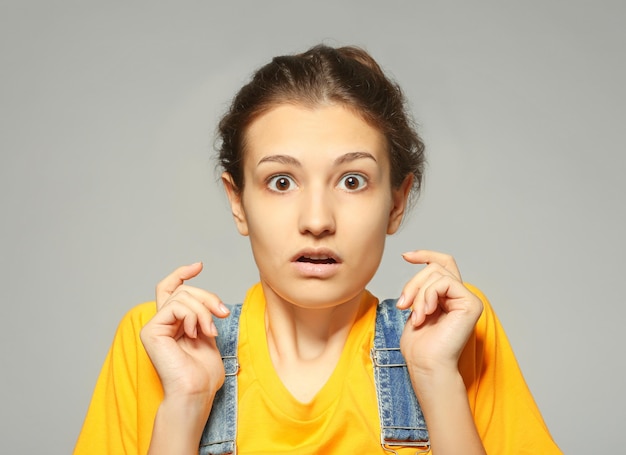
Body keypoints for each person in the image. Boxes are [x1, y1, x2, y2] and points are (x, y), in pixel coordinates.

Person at [74, 44, 562, 454]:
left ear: (397, 202)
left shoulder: (456, 332)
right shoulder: (158, 342)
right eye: (281, 181)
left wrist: (436, 379)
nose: (316, 221)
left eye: (352, 181)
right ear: (237, 201)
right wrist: (186, 402)